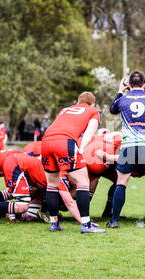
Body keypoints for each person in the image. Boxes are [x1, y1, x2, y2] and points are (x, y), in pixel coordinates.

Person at [106, 70, 145, 229]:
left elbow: (112, 110)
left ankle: (114, 221)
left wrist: (120, 90)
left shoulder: (122, 99)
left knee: (122, 182)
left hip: (129, 146)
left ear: (128, 84)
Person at [41, 91, 105, 233]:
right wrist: (81, 150)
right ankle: (86, 225)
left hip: (45, 142)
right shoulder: (94, 110)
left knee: (52, 184)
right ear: (93, 103)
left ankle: (54, 223)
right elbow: (89, 134)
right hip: (65, 142)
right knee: (83, 182)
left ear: (78, 101)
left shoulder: (64, 110)